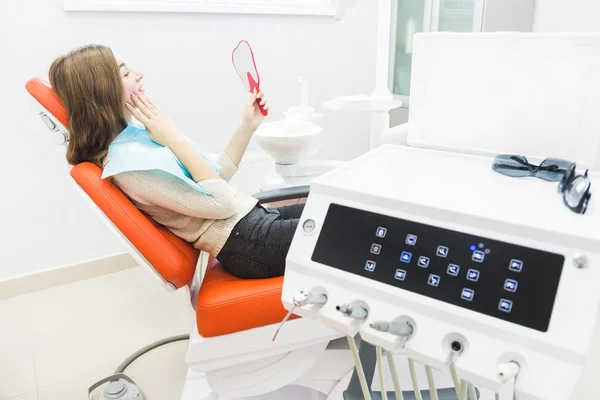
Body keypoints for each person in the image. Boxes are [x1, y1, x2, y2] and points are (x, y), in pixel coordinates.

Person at [49, 44, 305, 279]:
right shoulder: (128, 167)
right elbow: (223, 204)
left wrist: (247, 126)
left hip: (255, 221)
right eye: (126, 74)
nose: (139, 75)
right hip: (250, 243)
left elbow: (217, 178)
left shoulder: (137, 137)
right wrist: (173, 139)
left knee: (338, 208)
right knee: (343, 226)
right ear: (102, 90)